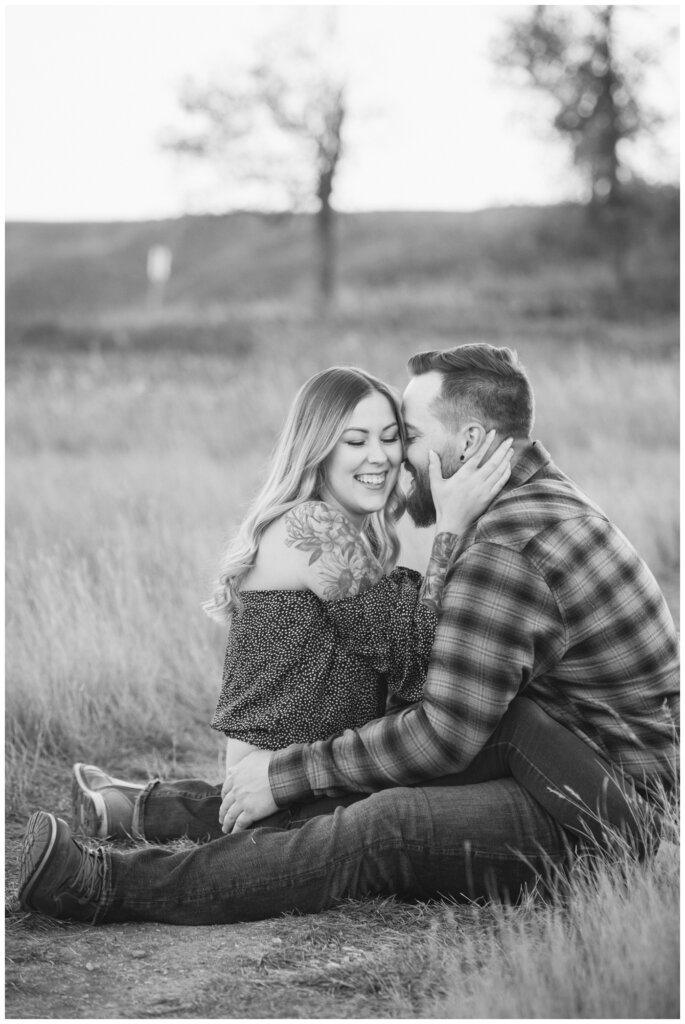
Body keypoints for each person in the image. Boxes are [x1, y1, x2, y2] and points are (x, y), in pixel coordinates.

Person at [18, 344, 679, 925]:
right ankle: (149, 813)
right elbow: (437, 692)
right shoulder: (530, 505)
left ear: (471, 441)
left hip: (596, 815)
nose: (398, 461)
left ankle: (103, 884)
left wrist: (288, 774)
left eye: (406, 437)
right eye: (369, 439)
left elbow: (439, 730)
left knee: (384, 826)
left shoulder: (506, 547)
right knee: (388, 769)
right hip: (564, 756)